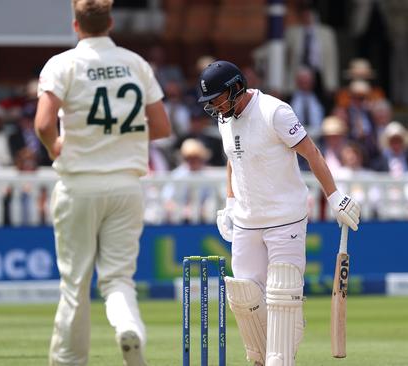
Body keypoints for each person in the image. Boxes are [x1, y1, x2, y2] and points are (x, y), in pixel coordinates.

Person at [197, 60, 360, 366]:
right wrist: (230, 203)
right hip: (246, 222)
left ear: (235, 89)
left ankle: (281, 358)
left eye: (217, 98)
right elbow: (234, 158)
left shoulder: (275, 112)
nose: (214, 107)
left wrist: (334, 196)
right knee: (244, 298)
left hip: (286, 219)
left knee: (282, 295)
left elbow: (311, 151)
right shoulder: (224, 118)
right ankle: (261, 357)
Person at [34, 1, 171, 365]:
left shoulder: (62, 64)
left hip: (79, 184)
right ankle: (129, 328)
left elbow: (44, 124)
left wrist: (55, 147)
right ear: (111, 22)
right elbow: (161, 127)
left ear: (75, 25)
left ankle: (69, 361)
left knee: (75, 283)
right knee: (118, 279)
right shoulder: (135, 63)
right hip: (126, 184)